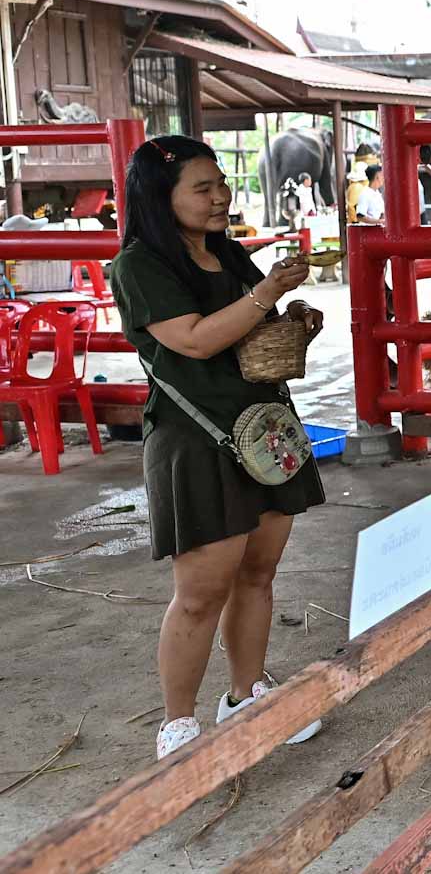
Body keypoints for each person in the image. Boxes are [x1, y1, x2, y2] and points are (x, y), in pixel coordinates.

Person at [108, 136, 327, 760]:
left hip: (266, 428)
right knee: (202, 592)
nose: (220, 197)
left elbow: (253, 326)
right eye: (201, 188)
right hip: (198, 437)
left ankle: (246, 691)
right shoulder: (140, 265)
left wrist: (294, 317)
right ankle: (177, 721)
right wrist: (265, 294)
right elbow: (198, 341)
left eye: (221, 184)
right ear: (161, 197)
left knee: (259, 573)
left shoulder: (227, 253)